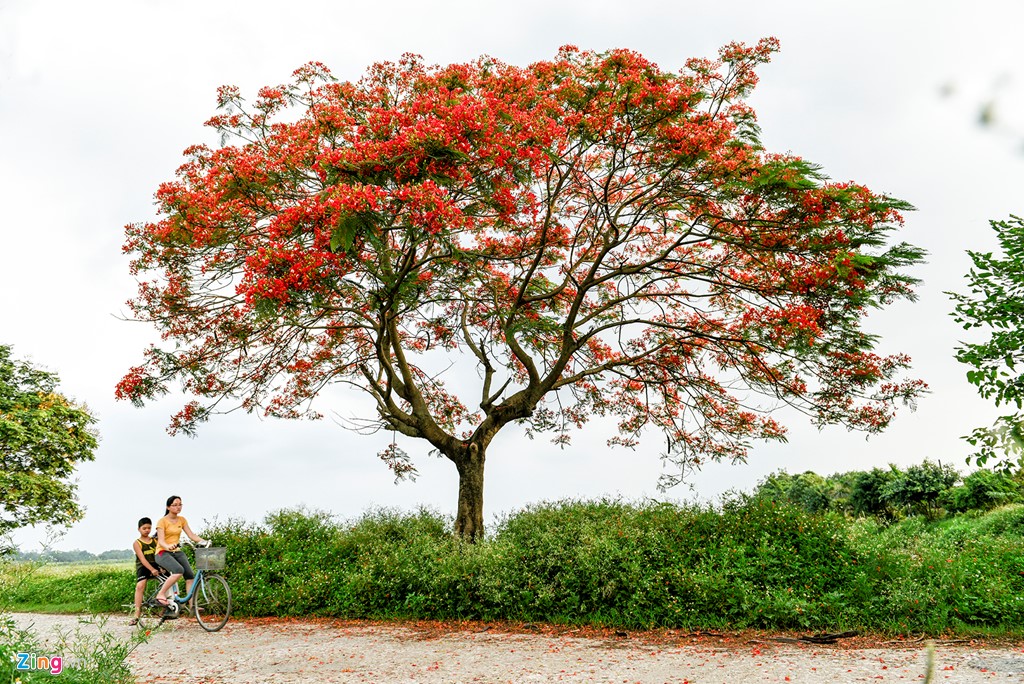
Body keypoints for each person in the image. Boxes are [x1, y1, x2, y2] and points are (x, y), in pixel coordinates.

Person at [153, 495, 208, 608]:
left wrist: (205, 541)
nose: (178, 507)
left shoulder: (182, 520)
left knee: (190, 576)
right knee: (178, 571)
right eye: (175, 505)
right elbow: (161, 541)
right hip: (162, 552)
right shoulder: (162, 521)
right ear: (168, 507)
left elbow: (191, 535)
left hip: (176, 552)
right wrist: (168, 546)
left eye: (180, 504)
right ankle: (161, 594)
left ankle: (192, 606)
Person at [129, 517, 161, 625]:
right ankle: (136, 614)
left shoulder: (155, 541)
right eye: (144, 528)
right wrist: (151, 569)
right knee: (140, 586)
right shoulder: (137, 543)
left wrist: (159, 567)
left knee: (168, 580)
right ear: (139, 529)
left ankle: (165, 605)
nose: (147, 530)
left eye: (149, 528)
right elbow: (142, 559)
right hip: (143, 566)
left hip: (155, 563)